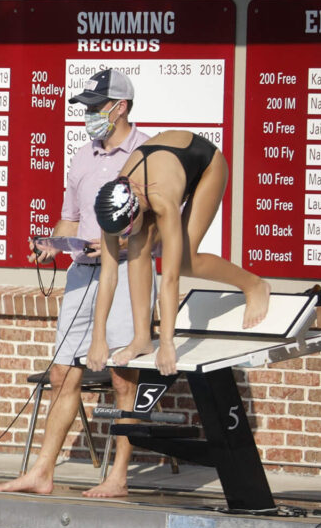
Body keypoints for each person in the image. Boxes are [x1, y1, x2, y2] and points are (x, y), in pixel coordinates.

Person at [0, 69, 152, 498]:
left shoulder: (145, 153)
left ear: (120, 108)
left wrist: (119, 238)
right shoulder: (83, 155)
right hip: (82, 276)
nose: (88, 115)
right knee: (63, 372)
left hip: (127, 273)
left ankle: (117, 476)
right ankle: (42, 472)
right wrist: (51, 242)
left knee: (122, 376)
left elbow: (156, 222)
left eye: (96, 107)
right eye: (86, 107)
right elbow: (71, 215)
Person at [88, 131, 272, 377]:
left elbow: (171, 278)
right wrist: (97, 339)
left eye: (127, 230)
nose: (121, 237)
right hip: (156, 169)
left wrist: (167, 344)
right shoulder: (111, 207)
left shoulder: (162, 201)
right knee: (136, 247)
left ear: (137, 210)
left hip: (205, 164)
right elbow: (108, 277)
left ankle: (254, 284)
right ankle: (141, 338)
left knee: (185, 260)